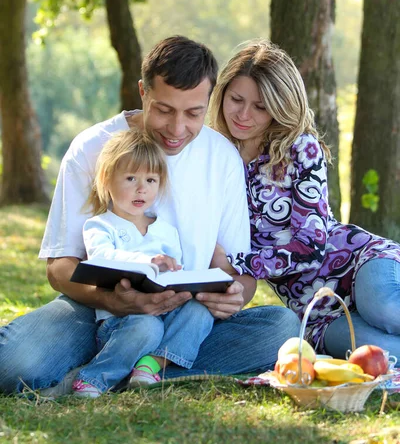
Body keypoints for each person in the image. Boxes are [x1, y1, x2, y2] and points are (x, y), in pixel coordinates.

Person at [0, 35, 300, 396]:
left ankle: (111, 373)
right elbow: (59, 268)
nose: (177, 129)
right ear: (143, 91)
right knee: (12, 365)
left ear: (209, 101)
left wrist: (235, 295)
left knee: (280, 326)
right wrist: (112, 300)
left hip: (184, 315)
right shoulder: (92, 147)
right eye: (164, 110)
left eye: (193, 113)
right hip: (98, 312)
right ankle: (133, 368)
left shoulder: (222, 157)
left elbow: (238, 273)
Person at [209, 38, 400, 362]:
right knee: (385, 354)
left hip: (359, 264)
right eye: (236, 99)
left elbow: (310, 248)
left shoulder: (300, 148)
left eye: (261, 106)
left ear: (281, 106)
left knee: (383, 308)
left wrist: (237, 262)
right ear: (222, 94)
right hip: (316, 315)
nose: (243, 115)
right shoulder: (212, 155)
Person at [72, 129, 215, 397]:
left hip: (166, 311)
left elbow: (176, 273)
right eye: (130, 178)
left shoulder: (167, 230)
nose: (142, 188)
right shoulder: (100, 226)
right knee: (147, 326)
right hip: (122, 321)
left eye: (150, 179)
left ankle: (150, 366)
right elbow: (102, 258)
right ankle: (93, 379)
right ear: (106, 180)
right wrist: (148, 262)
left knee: (200, 311)